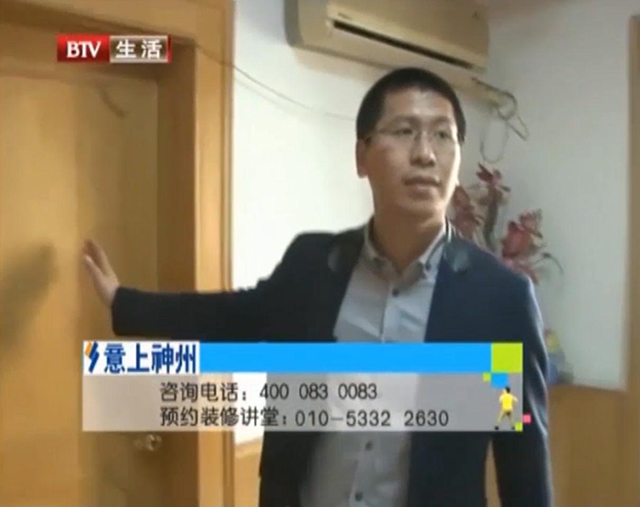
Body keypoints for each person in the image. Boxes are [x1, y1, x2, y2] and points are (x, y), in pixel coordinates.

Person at [82, 67, 552, 507]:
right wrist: (124, 301)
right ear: (361, 156)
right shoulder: (313, 266)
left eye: (443, 135)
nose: (426, 154)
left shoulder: (499, 300)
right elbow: (235, 316)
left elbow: (524, 467)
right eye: (405, 130)